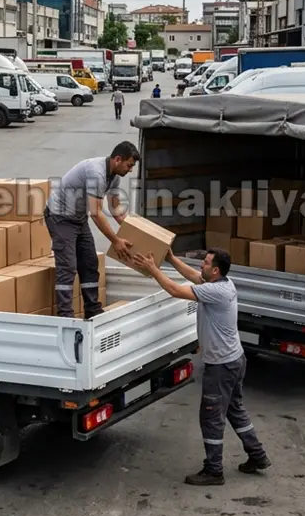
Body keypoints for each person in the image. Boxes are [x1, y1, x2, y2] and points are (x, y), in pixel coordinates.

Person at [128, 247, 271, 486]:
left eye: (205, 262)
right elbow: (193, 276)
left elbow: (175, 290)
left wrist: (153, 269)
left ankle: (214, 471)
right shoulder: (223, 284)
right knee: (234, 409)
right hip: (234, 360)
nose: (200, 266)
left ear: (215, 270)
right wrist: (171, 258)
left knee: (211, 417)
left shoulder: (215, 291)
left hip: (222, 366)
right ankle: (258, 455)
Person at [44, 143, 139, 319]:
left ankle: (92, 310)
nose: (131, 170)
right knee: (68, 266)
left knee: (89, 263)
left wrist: (135, 231)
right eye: (129, 165)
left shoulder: (114, 177)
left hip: (78, 218)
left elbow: (116, 209)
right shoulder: (97, 173)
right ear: (118, 159)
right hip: (60, 217)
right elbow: (96, 213)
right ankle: (65, 316)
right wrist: (115, 240)